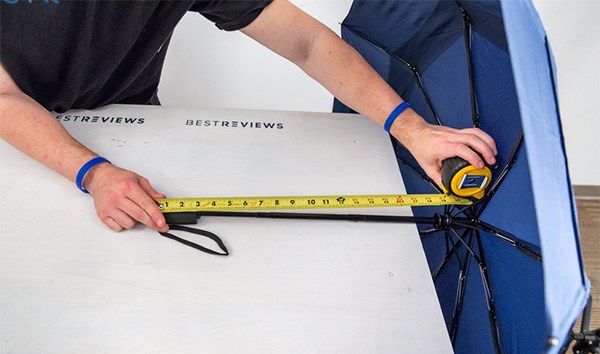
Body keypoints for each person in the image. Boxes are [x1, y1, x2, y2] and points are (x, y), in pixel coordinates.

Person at [0, 0, 497, 233]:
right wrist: (92, 172)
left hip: (132, 128)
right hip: (21, 138)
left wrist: (412, 129)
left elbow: (306, 42)